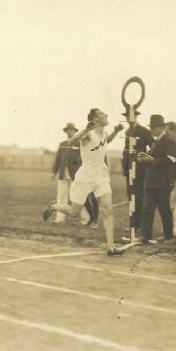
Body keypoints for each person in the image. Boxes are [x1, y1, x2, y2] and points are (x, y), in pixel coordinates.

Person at [42, 109, 124, 256]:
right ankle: (53, 206)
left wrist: (116, 132)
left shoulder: (104, 133)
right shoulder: (87, 134)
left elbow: (106, 140)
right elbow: (71, 141)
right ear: (96, 119)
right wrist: (85, 129)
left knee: (108, 210)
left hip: (101, 176)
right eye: (103, 114)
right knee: (74, 212)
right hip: (85, 176)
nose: (106, 114)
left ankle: (111, 247)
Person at [138, 115, 176, 244]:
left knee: (164, 209)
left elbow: (171, 159)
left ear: (161, 127)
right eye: (151, 127)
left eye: (154, 127)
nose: (151, 130)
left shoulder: (169, 140)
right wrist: (146, 157)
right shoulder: (156, 141)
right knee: (147, 210)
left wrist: (152, 160)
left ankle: (169, 237)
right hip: (151, 182)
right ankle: (146, 236)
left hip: (162, 183)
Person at [51, 122, 92, 226]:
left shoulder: (80, 143)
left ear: (75, 131)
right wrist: (53, 172)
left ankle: (85, 218)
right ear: (66, 131)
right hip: (63, 174)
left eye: (71, 130)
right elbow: (58, 159)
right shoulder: (63, 144)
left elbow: (84, 159)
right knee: (61, 196)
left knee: (78, 197)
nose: (69, 131)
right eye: (68, 130)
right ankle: (60, 219)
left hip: (76, 174)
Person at [121, 110, 155, 232]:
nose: (128, 119)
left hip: (140, 169)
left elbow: (153, 146)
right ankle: (133, 224)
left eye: (130, 116)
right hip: (129, 168)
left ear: (136, 117)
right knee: (131, 196)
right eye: (126, 117)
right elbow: (126, 149)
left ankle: (139, 225)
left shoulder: (144, 131)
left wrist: (145, 158)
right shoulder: (127, 131)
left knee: (139, 196)